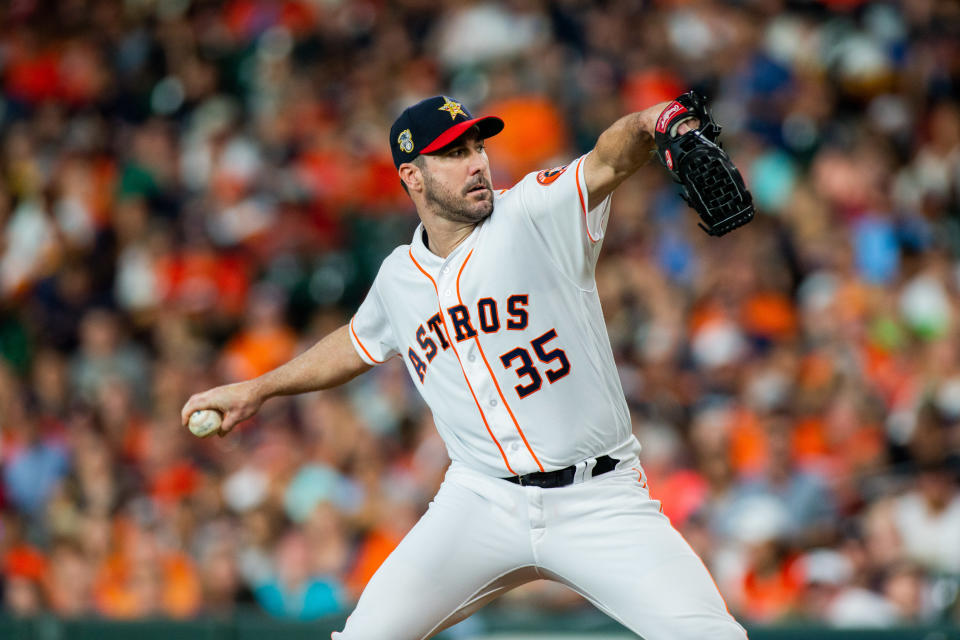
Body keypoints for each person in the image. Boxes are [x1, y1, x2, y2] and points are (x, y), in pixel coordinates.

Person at [182, 94, 748, 639]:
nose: (476, 163)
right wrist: (258, 389)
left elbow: (607, 158)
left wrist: (655, 121)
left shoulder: (533, 213)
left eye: (477, 147)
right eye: (453, 153)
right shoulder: (398, 276)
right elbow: (356, 342)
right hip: (481, 501)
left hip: (598, 496)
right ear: (412, 176)